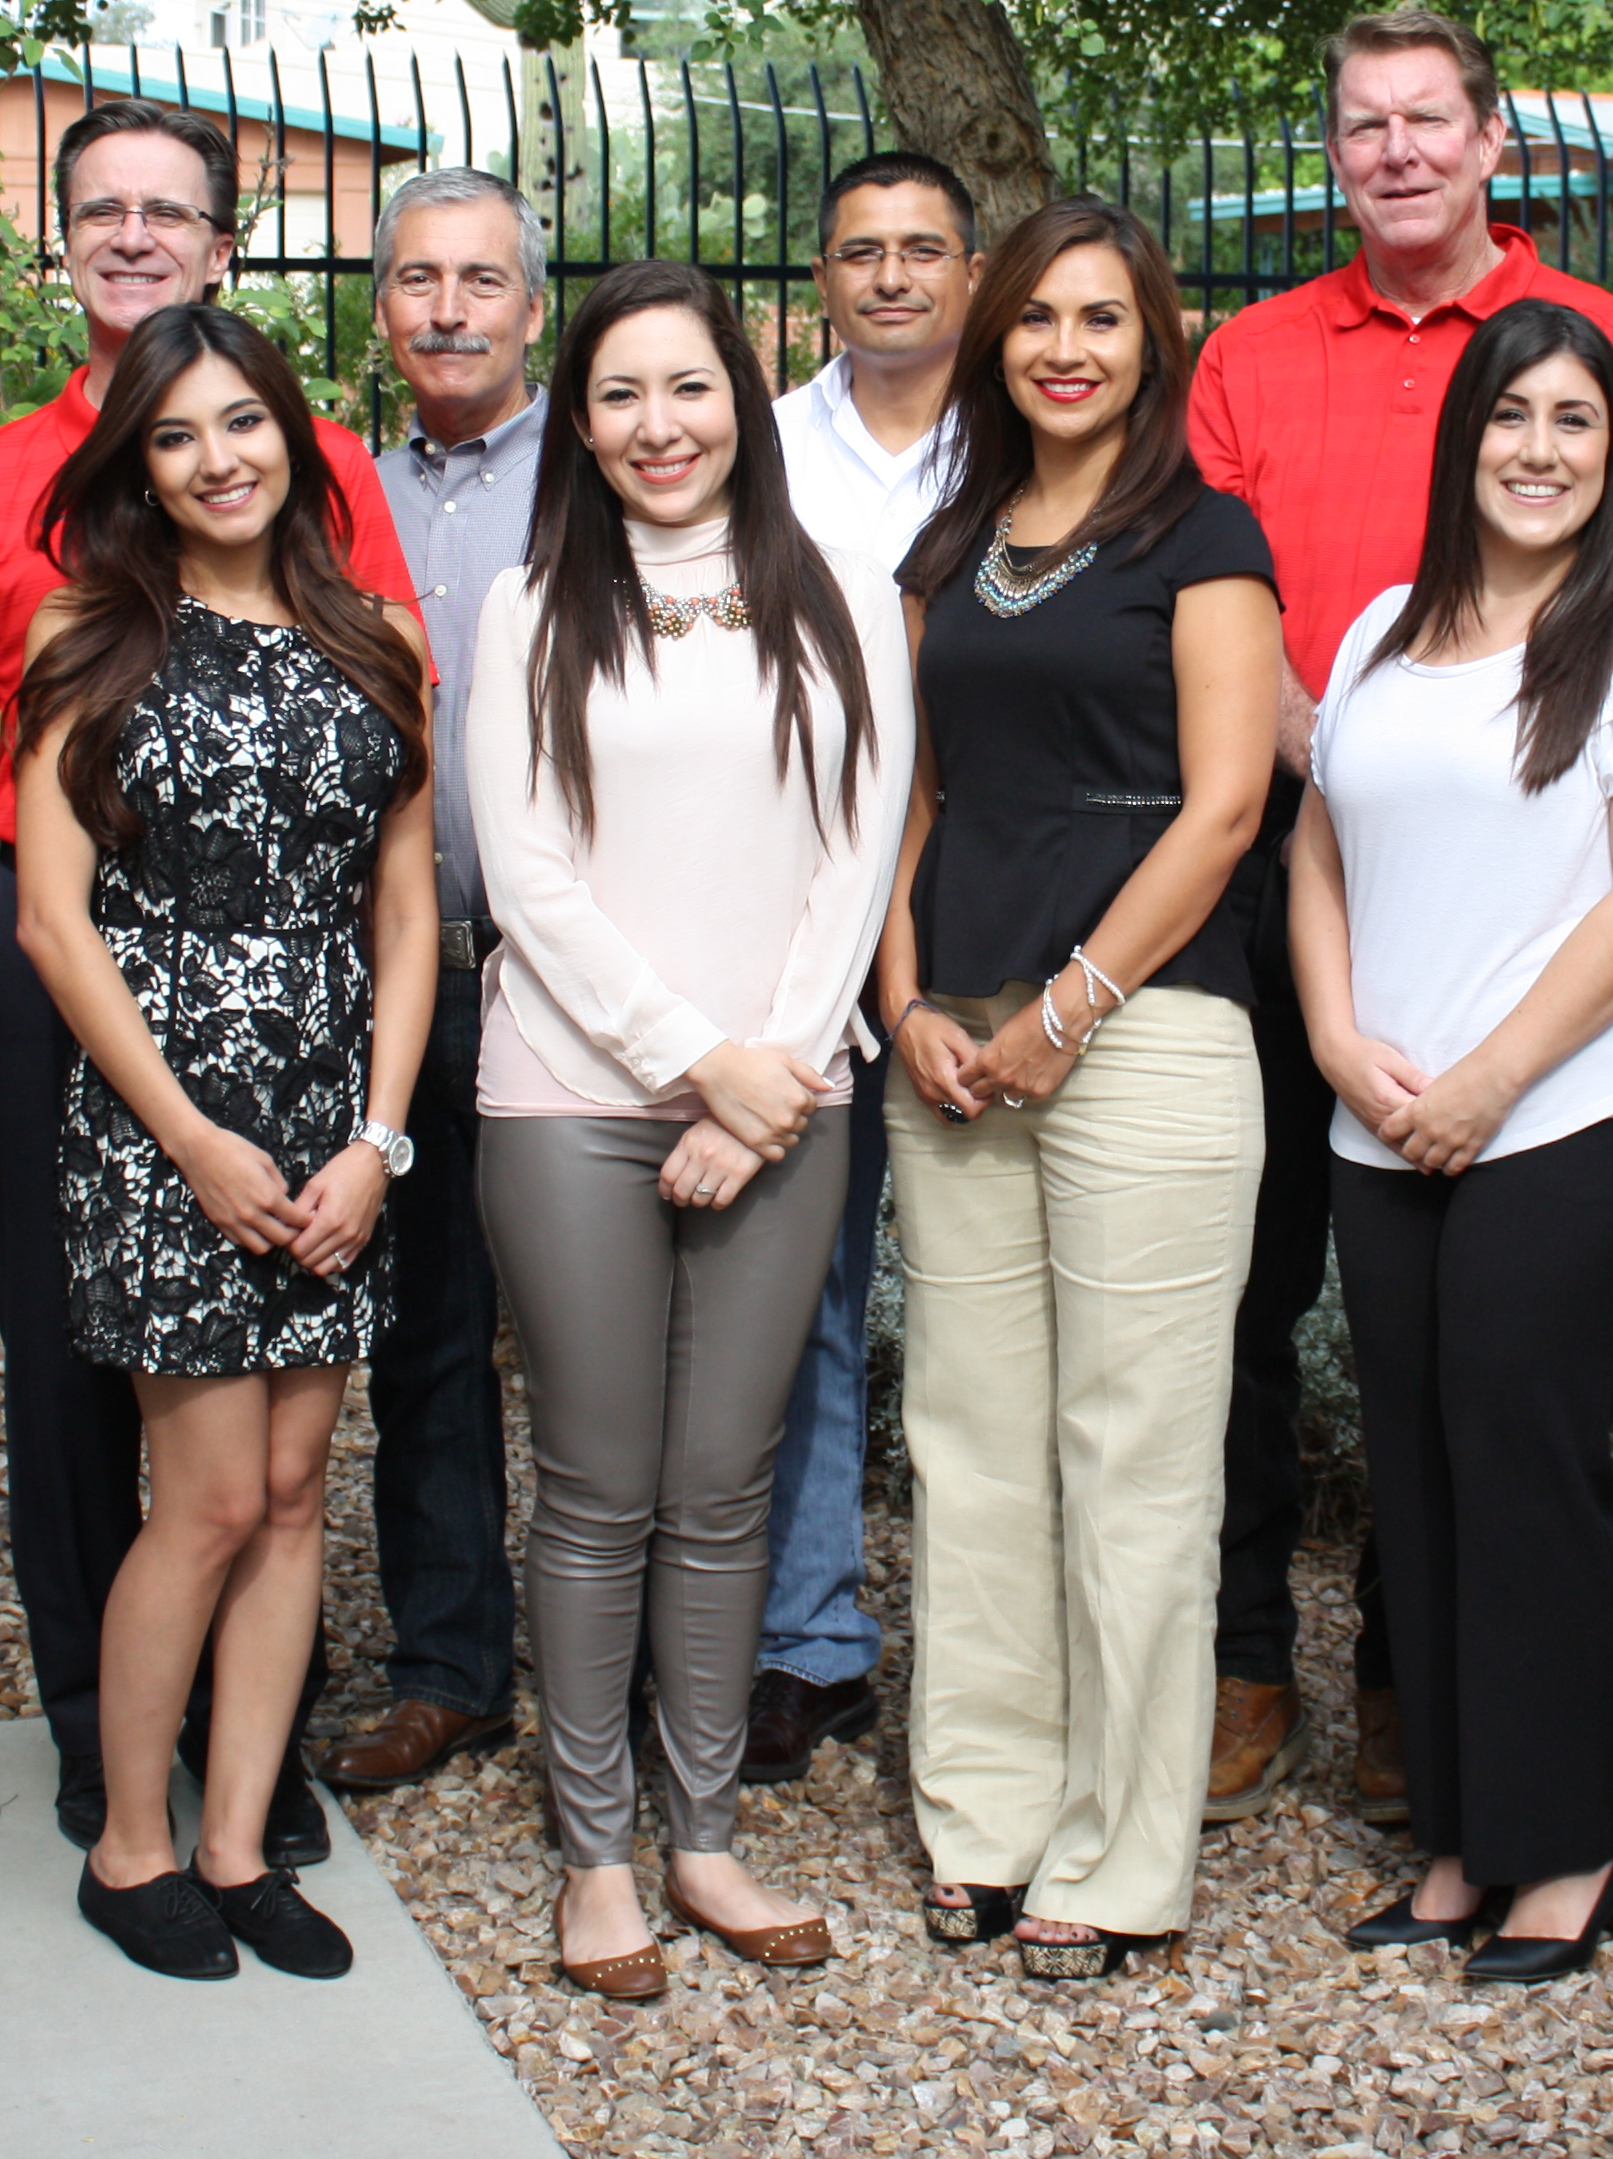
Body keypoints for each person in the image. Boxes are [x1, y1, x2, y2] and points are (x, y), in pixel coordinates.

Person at [1181, 8, 1613, 1824]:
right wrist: (1335, 752)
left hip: (1529, 896)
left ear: (1495, 141)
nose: (1398, 150)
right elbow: (1222, 600)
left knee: (1468, 1344)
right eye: (1365, 124)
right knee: (1253, 1293)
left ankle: (1427, 1691)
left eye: (1432, 120)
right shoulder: (1253, 353)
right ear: (1335, 149)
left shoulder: (1605, 350)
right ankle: (1247, 1656)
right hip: (1294, 863)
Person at [0, 97, 414, 1858]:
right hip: (93, 987)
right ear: (59, 241)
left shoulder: (329, 487)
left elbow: (390, 810)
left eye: (164, 210)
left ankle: (245, 1784)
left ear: (222, 241)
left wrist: (383, 1121)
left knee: (280, 1469)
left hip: (317, 1029)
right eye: (96, 209)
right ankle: (111, 1761)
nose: (130, 234)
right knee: (78, 1382)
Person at [464, 261, 913, 1999]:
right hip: (573, 1093)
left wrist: (775, 1071)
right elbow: (532, 879)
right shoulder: (528, 607)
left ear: (746, 397)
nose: (662, 427)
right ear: (579, 424)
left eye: (693, 389)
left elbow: (855, 858)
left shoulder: (843, 593)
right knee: (597, 1490)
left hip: (786, 1096)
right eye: (623, 397)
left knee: (727, 1491)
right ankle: (594, 1858)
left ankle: (706, 1837)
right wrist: (691, 1062)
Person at [1286, 298, 1613, 1984]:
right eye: (1509, 419)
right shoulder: (1385, 631)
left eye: (1575, 426)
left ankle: (1574, 1843)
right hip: (1384, 1122)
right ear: (1460, 439)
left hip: (1582, 1117)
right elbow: (1318, 856)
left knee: (1520, 1449)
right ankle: (1464, 1839)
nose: (1539, 453)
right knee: (1418, 1469)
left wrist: (1487, 1081)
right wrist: (1340, 1041)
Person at [877, 197, 1284, 1980]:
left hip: (1148, 1037)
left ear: (1153, 342)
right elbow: (908, 793)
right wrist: (901, 995)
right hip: (954, 1039)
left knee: (1134, 1461)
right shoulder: (950, 542)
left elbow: (1226, 808)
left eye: (1102, 320)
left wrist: (1075, 1002)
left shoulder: (1207, 537)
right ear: (994, 338)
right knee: (967, 1449)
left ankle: (1123, 1851)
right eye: (1037, 316)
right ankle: (983, 1812)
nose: (1065, 348)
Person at [12, 305, 438, 1982]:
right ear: (138, 461)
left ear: (295, 436)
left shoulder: (379, 636)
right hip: (162, 1122)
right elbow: (53, 921)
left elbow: (404, 913)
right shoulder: (83, 633)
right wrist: (189, 1137)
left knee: (285, 1494)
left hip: (338, 1122)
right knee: (195, 1503)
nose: (218, 460)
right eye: (178, 435)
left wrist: (381, 1140)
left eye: (244, 424)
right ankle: (131, 1850)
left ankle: (240, 1844)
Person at [747, 148, 983, 1783]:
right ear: (819, 278)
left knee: (979, 1310)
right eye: (858, 252)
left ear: (972, 270)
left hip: (991, 915)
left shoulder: (1040, 438)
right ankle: (810, 1641)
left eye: (922, 250)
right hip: (802, 916)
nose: (890, 276)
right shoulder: (761, 449)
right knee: (806, 1294)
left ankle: (986, 1661)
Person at [317, 166, 547, 1796]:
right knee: (430, 1336)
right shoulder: (329, 493)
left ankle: (676, 1663)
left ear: (534, 304)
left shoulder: (611, 474)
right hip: (405, 974)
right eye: (417, 281)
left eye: (480, 280)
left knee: (634, 1340)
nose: (448, 310)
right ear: (381, 305)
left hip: (580, 980)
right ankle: (452, 1660)